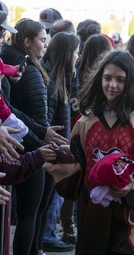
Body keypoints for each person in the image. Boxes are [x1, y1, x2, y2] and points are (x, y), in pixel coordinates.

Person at [43, 50, 134, 254]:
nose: (113, 85)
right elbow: (77, 172)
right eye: (108, 78)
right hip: (91, 216)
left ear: (130, 83)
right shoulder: (85, 123)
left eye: (120, 80)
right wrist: (58, 159)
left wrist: (130, 186)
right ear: (99, 79)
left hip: (129, 221)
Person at [0, 18, 68, 255]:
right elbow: (22, 114)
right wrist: (42, 143)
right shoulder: (27, 69)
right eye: (41, 40)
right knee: (30, 214)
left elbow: (9, 109)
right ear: (27, 41)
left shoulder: (16, 65)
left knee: (29, 214)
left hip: (19, 144)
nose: (44, 46)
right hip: (27, 148)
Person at [39, 32, 80, 252]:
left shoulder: (61, 77)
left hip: (58, 146)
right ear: (66, 53)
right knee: (53, 195)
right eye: (75, 51)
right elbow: (46, 120)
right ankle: (47, 235)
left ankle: (48, 234)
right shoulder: (53, 83)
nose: (78, 56)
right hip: (53, 149)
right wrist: (56, 145)